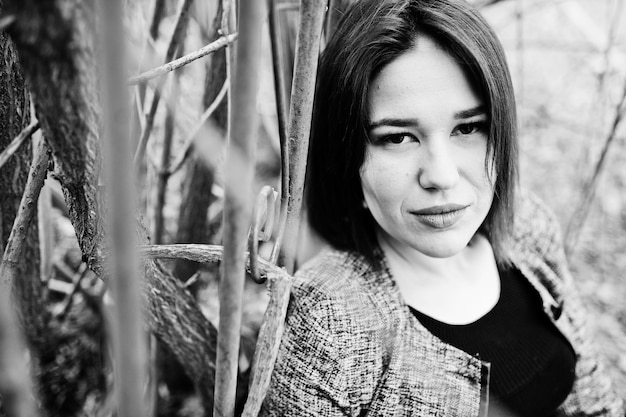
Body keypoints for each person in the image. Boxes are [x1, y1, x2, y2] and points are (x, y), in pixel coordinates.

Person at [261, 0, 624, 416]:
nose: (441, 175)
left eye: (467, 128)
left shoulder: (527, 226)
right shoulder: (330, 318)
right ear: (348, 156)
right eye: (398, 138)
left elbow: (594, 400)